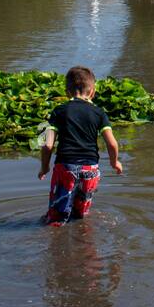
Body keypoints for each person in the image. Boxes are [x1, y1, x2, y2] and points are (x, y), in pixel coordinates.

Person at [38, 66, 123, 225]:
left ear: (67, 91)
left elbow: (47, 146)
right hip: (90, 169)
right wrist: (114, 162)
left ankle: (55, 243)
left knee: (56, 218)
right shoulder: (99, 113)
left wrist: (44, 167)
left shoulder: (59, 111)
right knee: (81, 216)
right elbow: (112, 143)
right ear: (92, 91)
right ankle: (85, 245)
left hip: (66, 168)